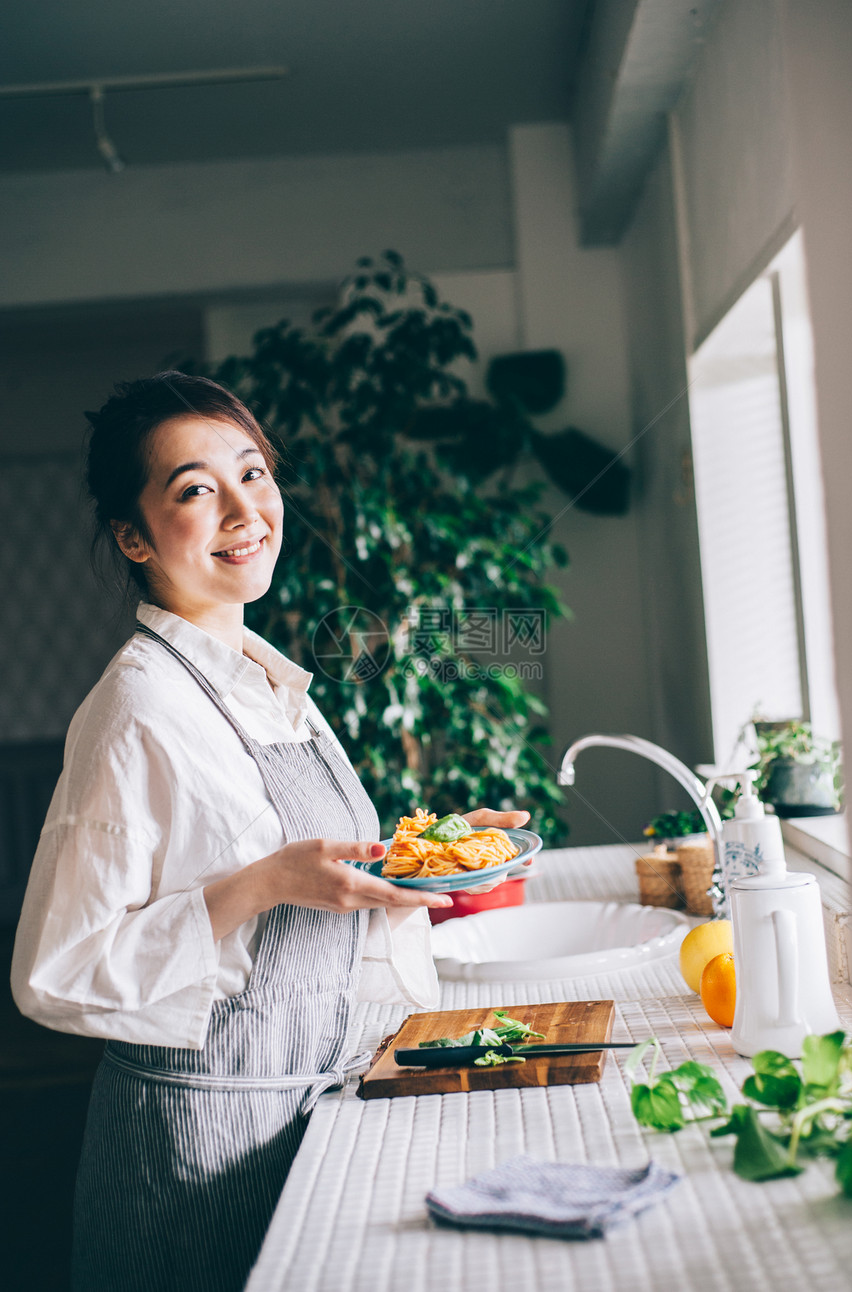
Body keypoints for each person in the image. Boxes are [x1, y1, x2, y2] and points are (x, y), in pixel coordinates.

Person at [11, 371, 530, 1292]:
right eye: (195, 490)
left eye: (252, 474)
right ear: (133, 537)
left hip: (310, 1112)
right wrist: (261, 884)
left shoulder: (270, 685)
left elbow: (315, 884)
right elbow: (56, 972)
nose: (244, 509)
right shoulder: (136, 707)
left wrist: (434, 853)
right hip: (198, 1148)